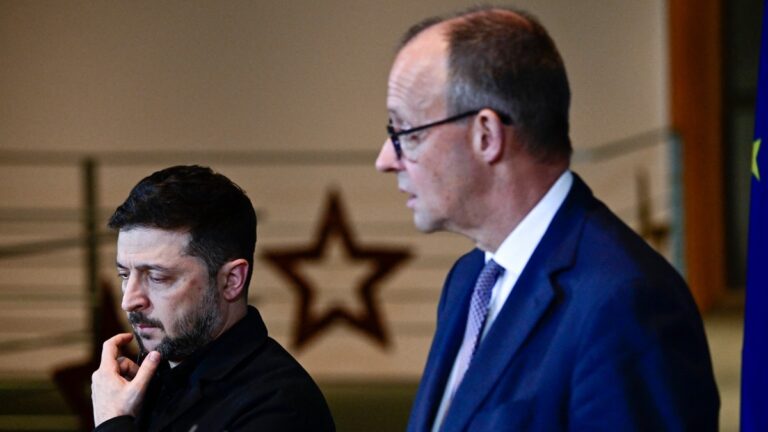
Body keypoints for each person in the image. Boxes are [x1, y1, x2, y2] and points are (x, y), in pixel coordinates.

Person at [375, 6, 719, 431]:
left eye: (406, 133)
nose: (386, 159)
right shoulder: (467, 281)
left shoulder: (626, 302)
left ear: (486, 135)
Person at [91, 165, 335, 431]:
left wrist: (113, 423)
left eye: (158, 277)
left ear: (231, 281)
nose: (129, 301)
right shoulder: (149, 386)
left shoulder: (281, 408)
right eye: (124, 275)